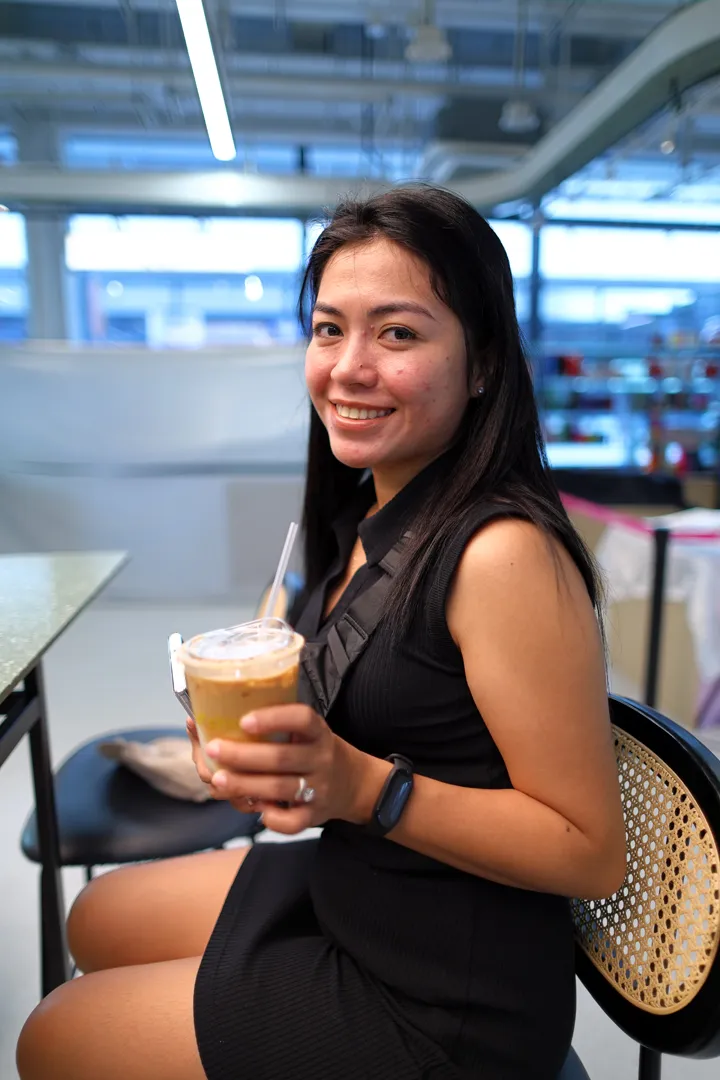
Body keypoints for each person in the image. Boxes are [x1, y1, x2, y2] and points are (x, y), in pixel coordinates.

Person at [16, 185, 627, 1080]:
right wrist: (257, 748)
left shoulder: (501, 556)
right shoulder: (375, 515)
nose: (347, 366)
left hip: (446, 997)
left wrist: (361, 786)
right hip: (363, 888)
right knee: (95, 918)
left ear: (485, 363)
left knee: (55, 1037)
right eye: (330, 328)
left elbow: (590, 850)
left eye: (399, 333)